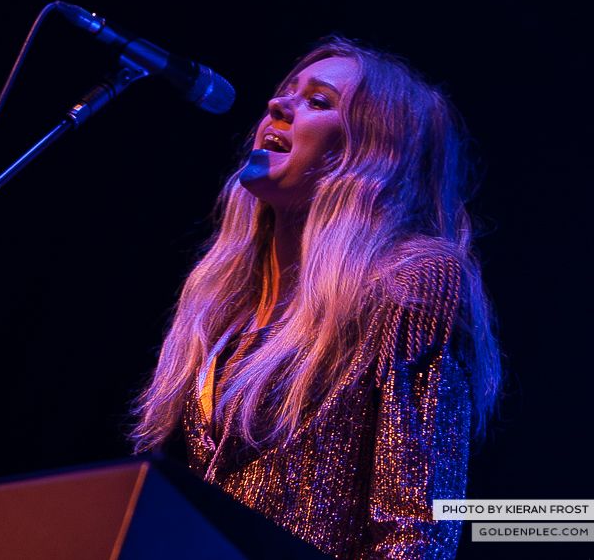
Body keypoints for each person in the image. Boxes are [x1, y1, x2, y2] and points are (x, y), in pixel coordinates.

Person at [130, 36, 502, 559]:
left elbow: (418, 532)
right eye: (286, 92)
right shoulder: (226, 308)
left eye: (318, 101)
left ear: (373, 156)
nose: (276, 106)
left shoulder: (414, 284)